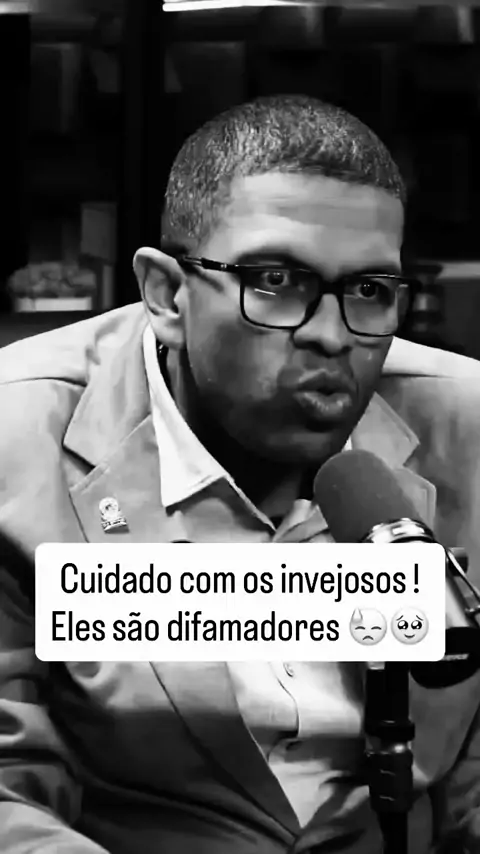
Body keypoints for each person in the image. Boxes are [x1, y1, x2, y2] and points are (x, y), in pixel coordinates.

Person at [0, 94, 480, 854]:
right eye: (277, 280)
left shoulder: (466, 426)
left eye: (369, 291)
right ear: (167, 295)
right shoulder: (17, 437)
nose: (331, 337)